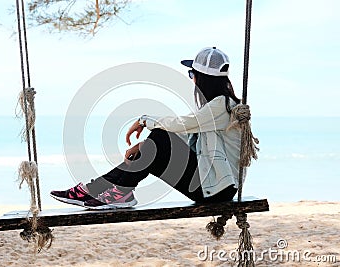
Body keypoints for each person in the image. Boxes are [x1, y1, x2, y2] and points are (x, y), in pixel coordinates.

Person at [51, 47, 244, 209]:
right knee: (157, 141)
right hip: (213, 185)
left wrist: (144, 121)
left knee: (160, 136)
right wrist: (143, 144)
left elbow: (182, 124)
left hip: (216, 190)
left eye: (192, 74)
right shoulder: (218, 106)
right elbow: (189, 139)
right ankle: (99, 189)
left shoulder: (222, 106)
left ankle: (111, 191)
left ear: (201, 78)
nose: (191, 78)